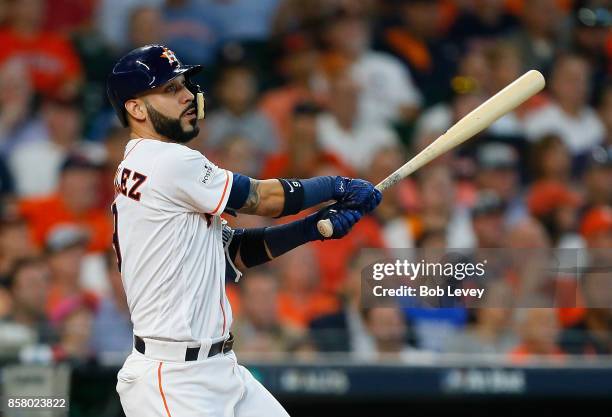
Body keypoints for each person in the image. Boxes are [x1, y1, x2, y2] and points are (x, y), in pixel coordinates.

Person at [106, 44, 381, 417]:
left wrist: (315, 228)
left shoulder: (145, 164)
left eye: (185, 85)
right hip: (174, 380)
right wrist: (336, 185)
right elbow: (261, 198)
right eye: (170, 89)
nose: (189, 95)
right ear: (135, 108)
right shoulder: (166, 160)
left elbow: (233, 252)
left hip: (219, 368)